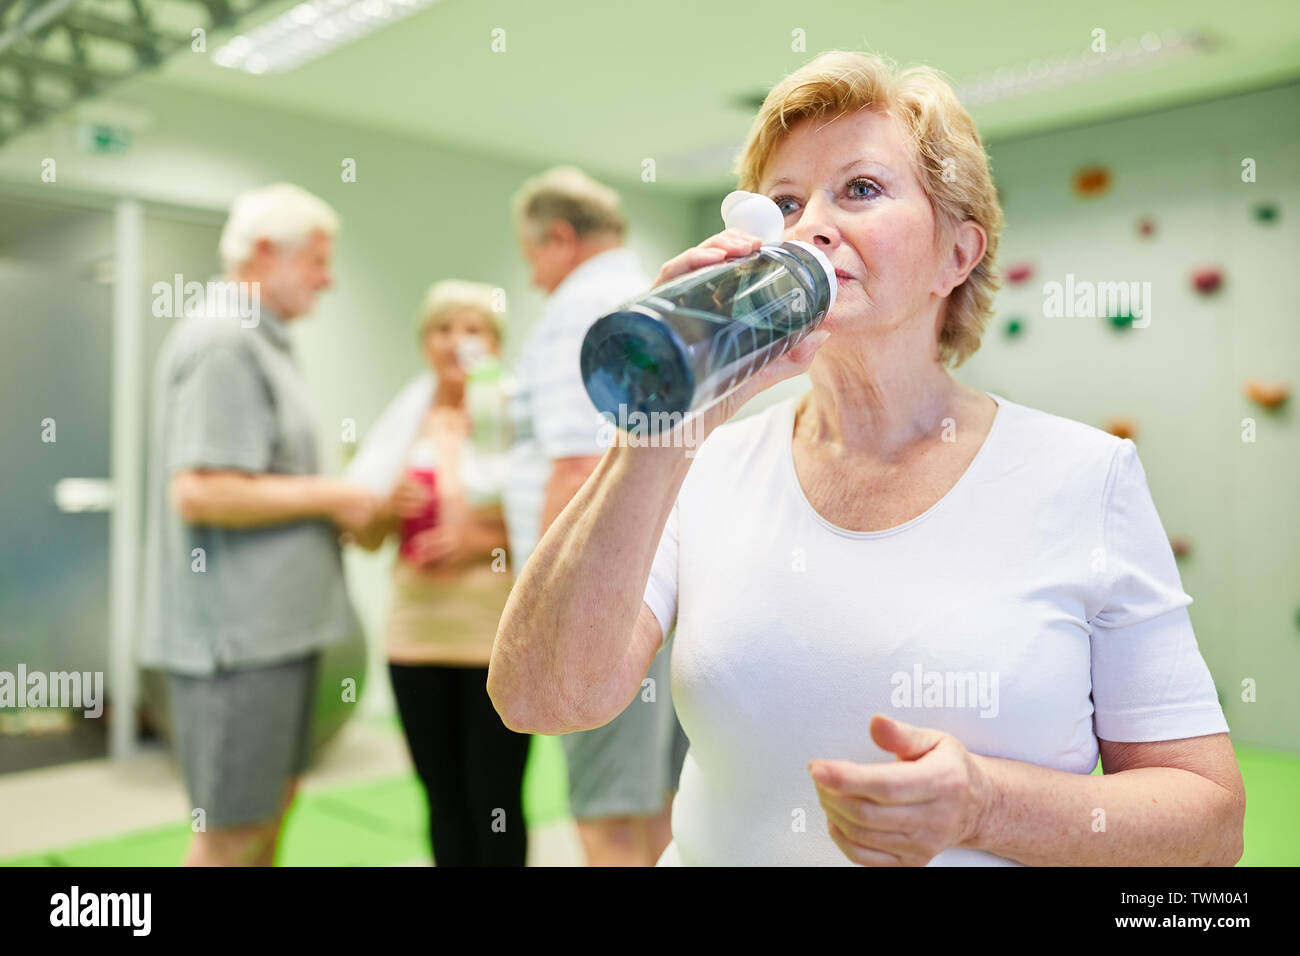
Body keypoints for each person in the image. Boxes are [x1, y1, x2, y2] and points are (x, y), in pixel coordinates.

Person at [489, 51, 1246, 867]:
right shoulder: (701, 460)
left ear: (957, 256)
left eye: (860, 189)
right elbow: (544, 697)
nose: (808, 223)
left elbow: (1209, 820)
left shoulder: (1084, 476)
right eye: (783, 202)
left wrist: (985, 809)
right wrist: (659, 423)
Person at [139, 183, 380, 866]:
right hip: (235, 643)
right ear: (265, 253)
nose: (328, 279)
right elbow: (201, 490)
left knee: (269, 814)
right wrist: (335, 495)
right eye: (318, 261)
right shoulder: (223, 339)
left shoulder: (266, 340)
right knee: (231, 834)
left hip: (278, 634)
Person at [503, 166, 689, 866]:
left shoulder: (579, 312)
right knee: (662, 801)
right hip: (663, 587)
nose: (533, 277)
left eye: (532, 258)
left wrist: (547, 606)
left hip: (607, 599)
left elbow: (582, 469)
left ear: (559, 236)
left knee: (609, 809)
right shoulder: (652, 296)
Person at [344, 280, 524, 866]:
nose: (455, 342)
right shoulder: (403, 423)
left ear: (494, 343)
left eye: (471, 328)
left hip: (492, 636)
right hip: (414, 637)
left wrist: (478, 541)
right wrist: (381, 509)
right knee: (440, 795)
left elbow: (550, 526)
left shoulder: (516, 412)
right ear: (425, 343)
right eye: (442, 329)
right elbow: (366, 539)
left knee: (493, 796)